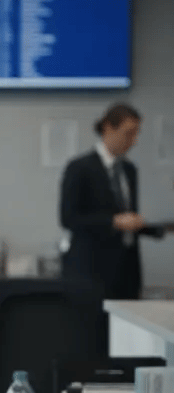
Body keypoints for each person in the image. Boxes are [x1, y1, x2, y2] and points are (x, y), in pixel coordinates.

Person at [60, 102, 165, 300]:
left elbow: (127, 220)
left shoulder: (129, 170)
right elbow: (69, 218)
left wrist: (155, 229)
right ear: (108, 128)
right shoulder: (79, 168)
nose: (134, 141)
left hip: (127, 273)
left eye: (137, 133)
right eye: (129, 133)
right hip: (91, 272)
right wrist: (114, 222)